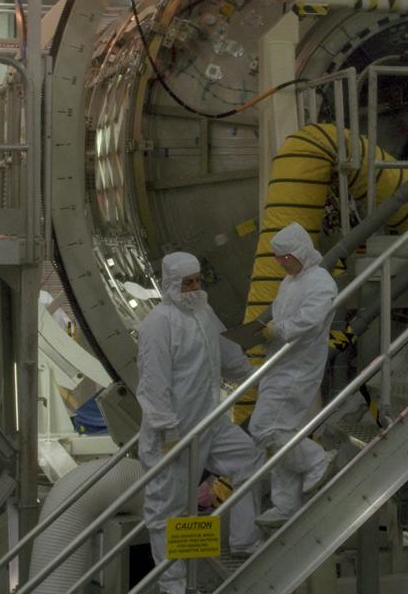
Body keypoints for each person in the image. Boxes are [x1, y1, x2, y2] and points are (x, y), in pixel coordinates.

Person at [137, 252, 264, 592]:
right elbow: (153, 384)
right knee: (169, 506)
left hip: (210, 423)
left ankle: (244, 539)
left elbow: (225, 354)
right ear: (171, 285)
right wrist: (168, 433)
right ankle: (173, 582)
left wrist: (257, 377)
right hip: (175, 433)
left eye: (197, 281)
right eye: (187, 283)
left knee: (249, 459)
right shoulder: (158, 324)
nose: (194, 288)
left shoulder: (204, 313)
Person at [250, 222, 339, 528]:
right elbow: (280, 315)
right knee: (281, 431)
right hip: (280, 362)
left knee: (264, 428)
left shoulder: (321, 282)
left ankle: (316, 458)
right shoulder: (289, 282)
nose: (282, 263)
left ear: (301, 251)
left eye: (285, 257)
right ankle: (285, 504)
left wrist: (279, 330)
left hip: (298, 366)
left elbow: (310, 322)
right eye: (278, 259)